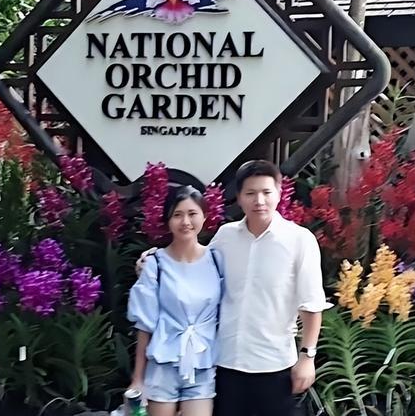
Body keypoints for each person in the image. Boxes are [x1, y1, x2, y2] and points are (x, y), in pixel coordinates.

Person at [138, 160, 331, 416]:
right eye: (250, 193)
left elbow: (312, 304)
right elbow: (194, 270)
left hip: (274, 365)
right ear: (239, 197)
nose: (259, 201)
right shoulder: (225, 237)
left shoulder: (299, 240)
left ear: (279, 193)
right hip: (225, 363)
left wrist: (308, 357)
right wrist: (154, 264)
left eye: (266, 192)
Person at [127, 185, 224, 416]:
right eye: (178, 215)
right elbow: (145, 325)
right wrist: (137, 379)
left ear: (204, 216)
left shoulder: (217, 260)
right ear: (168, 220)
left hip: (203, 363)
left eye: (192, 214)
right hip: (163, 364)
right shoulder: (156, 264)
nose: (185, 222)